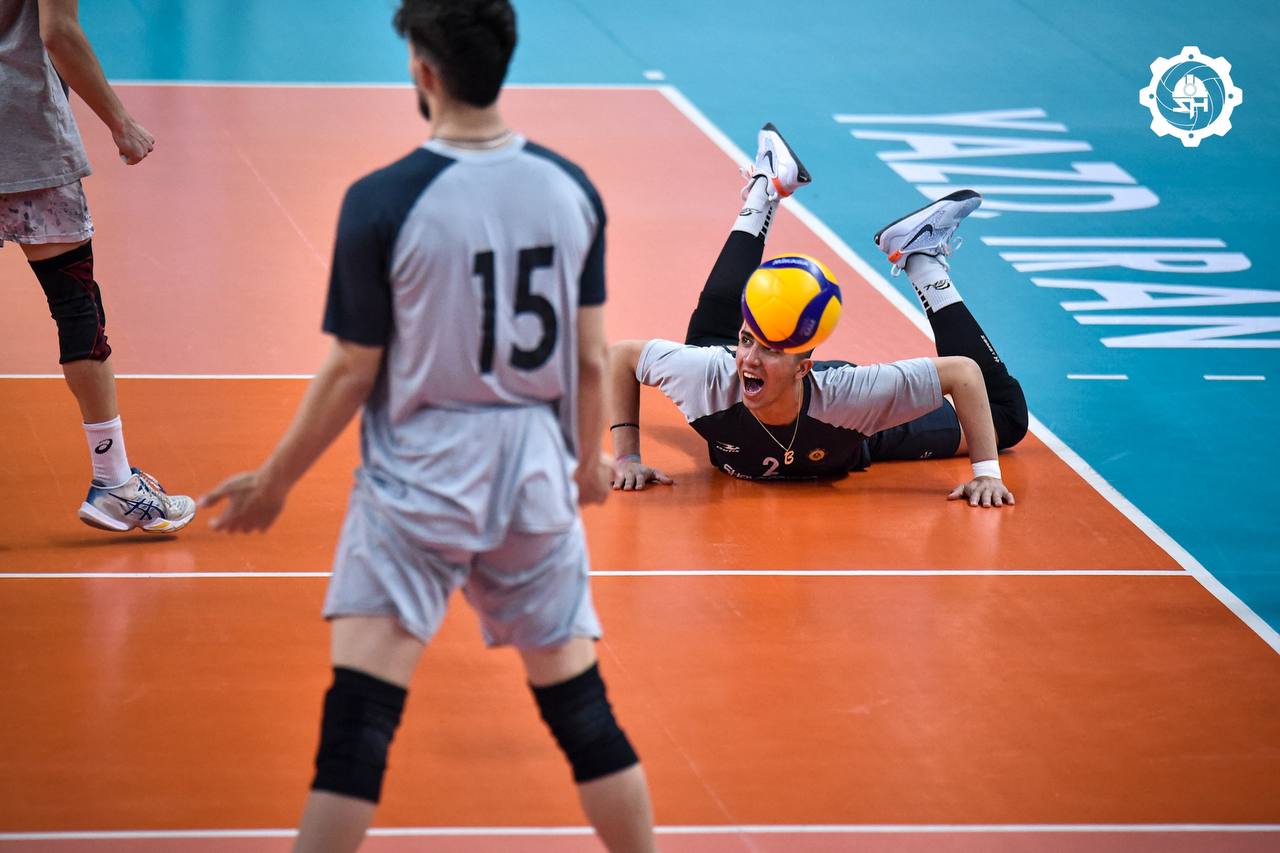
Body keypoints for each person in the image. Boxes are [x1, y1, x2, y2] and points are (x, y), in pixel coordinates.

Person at [201, 2, 656, 851]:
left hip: (421, 475)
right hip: (532, 470)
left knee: (357, 730)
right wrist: (586, 461)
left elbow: (352, 368)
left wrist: (274, 480)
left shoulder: (382, 201)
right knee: (585, 717)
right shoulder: (571, 190)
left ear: (423, 70)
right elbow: (593, 360)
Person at [609, 124, 1027, 506]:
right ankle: (767, 186)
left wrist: (986, 475)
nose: (749, 358)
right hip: (743, 379)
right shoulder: (710, 375)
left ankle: (922, 262)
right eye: (747, 341)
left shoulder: (853, 399)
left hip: (855, 434)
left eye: (770, 349)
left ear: (803, 368)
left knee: (1005, 419)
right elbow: (622, 356)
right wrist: (628, 458)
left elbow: (963, 374)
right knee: (707, 342)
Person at [0, 0, 195, 531]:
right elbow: (58, 32)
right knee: (76, 307)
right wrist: (121, 122)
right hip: (23, 136)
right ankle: (114, 483)